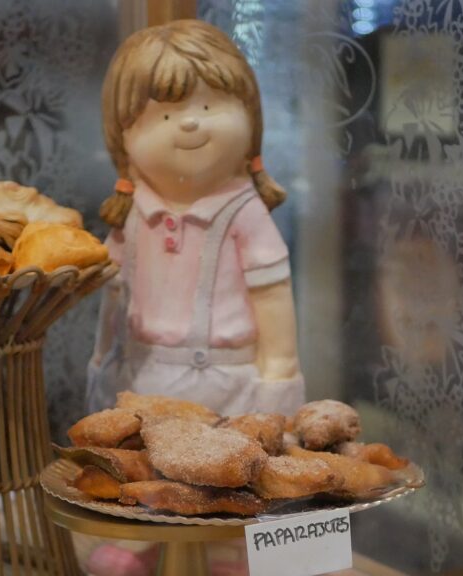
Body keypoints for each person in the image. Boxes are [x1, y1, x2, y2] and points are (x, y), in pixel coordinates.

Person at [85, 20, 305, 576]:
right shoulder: (132, 216)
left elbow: (275, 304)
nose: (188, 124)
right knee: (151, 474)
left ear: (250, 122)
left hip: (233, 382)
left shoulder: (244, 213)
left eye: (211, 107)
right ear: (124, 140)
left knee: (235, 484)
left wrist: (279, 382)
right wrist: (101, 364)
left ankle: (232, 552)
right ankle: (142, 545)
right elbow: (110, 296)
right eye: (162, 114)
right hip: (148, 378)